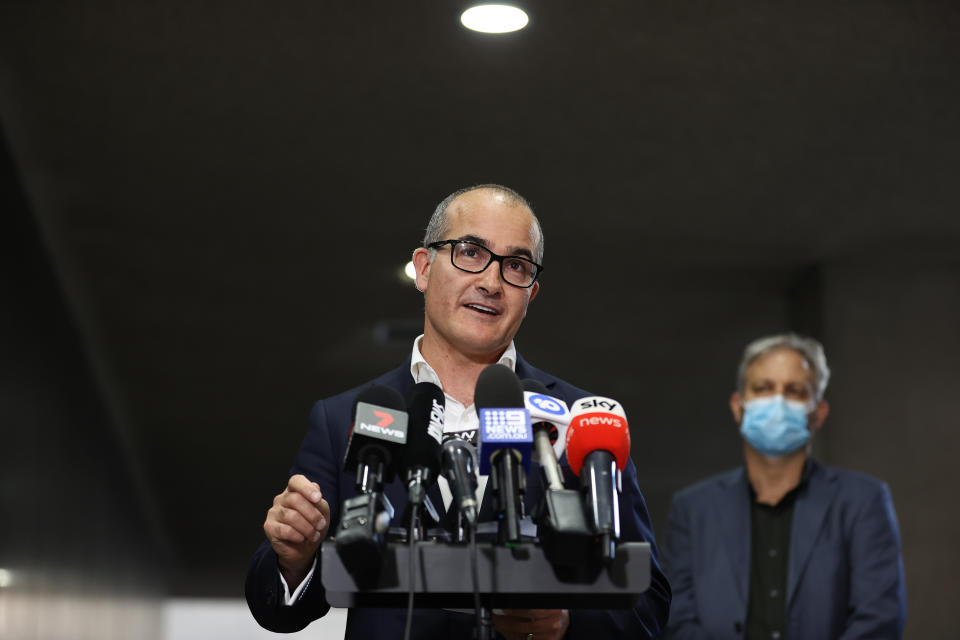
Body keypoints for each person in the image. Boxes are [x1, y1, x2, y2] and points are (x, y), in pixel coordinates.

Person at [245, 184, 671, 639]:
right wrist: (294, 559)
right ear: (424, 268)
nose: (491, 281)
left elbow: (648, 603)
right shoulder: (344, 417)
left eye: (516, 266)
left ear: (532, 293)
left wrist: (565, 622)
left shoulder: (581, 419)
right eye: (470, 251)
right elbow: (281, 611)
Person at [663, 333, 907, 639]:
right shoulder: (693, 508)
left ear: (818, 413)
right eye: (763, 388)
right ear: (738, 407)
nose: (777, 402)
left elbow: (879, 620)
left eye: (794, 391)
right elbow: (676, 618)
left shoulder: (863, 501)